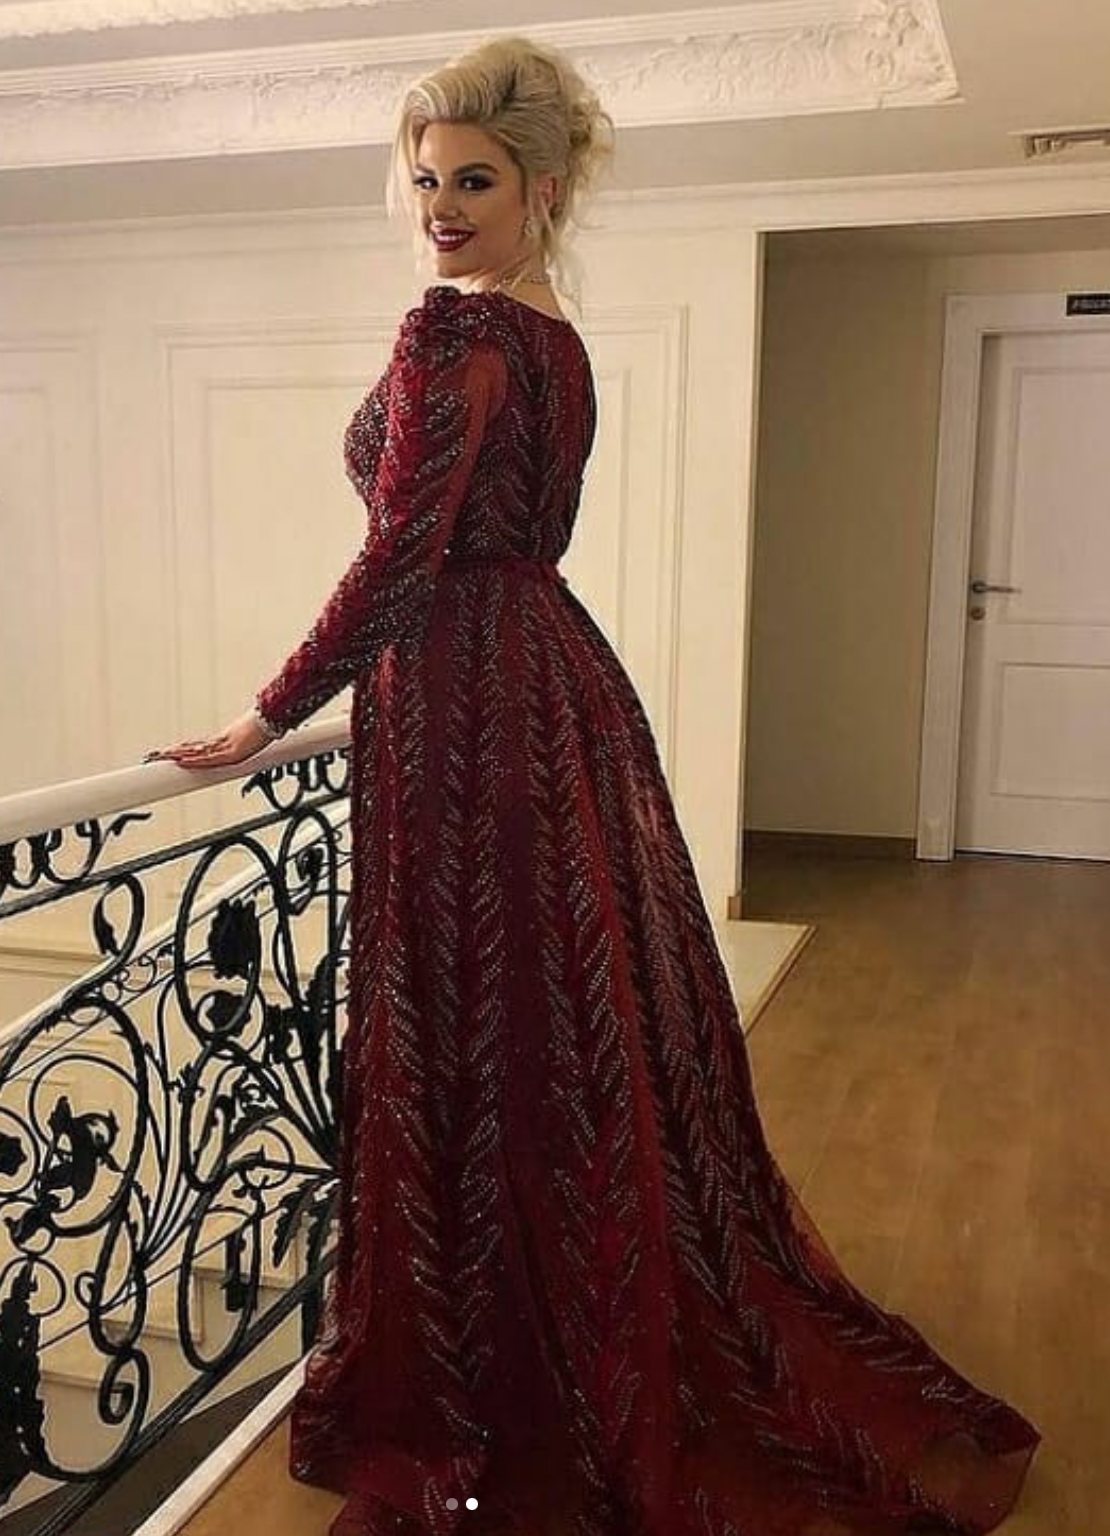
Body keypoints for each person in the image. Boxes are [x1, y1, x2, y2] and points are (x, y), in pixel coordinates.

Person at [143, 34, 1042, 1536]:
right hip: (548, 675)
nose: (440, 207)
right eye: (425, 180)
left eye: (473, 181)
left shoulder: (455, 333)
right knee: (553, 1015)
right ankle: (561, 1312)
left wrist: (265, 712)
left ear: (541, 189)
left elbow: (399, 553)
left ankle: (496, 1360)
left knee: (481, 1015)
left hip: (462, 695)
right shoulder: (554, 334)